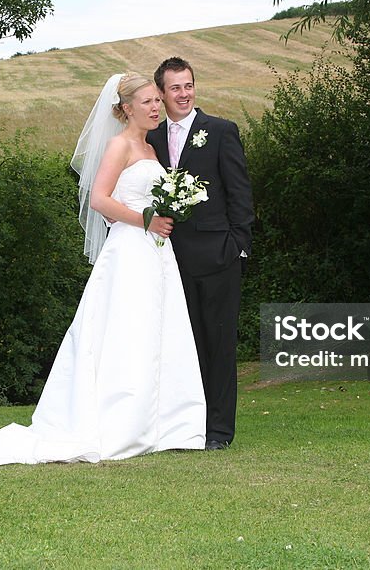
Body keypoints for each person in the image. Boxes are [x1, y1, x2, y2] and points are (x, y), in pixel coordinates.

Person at [0, 74, 206, 465]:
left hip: (156, 252)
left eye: (157, 100)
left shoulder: (150, 149)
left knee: (157, 328)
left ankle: (162, 425)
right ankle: (121, 425)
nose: (156, 107)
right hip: (131, 250)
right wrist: (145, 221)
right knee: (126, 330)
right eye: (148, 101)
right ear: (126, 108)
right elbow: (99, 200)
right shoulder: (119, 146)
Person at [146, 57, 254, 450]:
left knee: (219, 345)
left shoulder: (221, 131)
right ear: (161, 93)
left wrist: (238, 247)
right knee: (181, 346)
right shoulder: (152, 139)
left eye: (188, 85)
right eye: (175, 88)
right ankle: (187, 427)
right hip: (169, 260)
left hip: (218, 257)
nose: (184, 93)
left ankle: (220, 433)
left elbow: (240, 193)